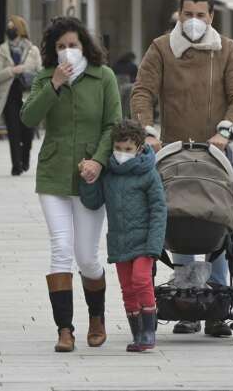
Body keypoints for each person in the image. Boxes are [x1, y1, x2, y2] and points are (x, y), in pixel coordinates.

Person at [130, 0, 233, 338]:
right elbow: (142, 91)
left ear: (211, 17)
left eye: (201, 15)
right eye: (188, 14)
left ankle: (215, 304)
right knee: (180, 217)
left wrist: (226, 131)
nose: (194, 21)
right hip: (172, 152)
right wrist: (148, 131)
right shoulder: (161, 48)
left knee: (216, 220)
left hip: (216, 152)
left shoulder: (226, 50)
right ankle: (186, 303)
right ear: (178, 14)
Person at [20, 16, 121, 353]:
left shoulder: (103, 77)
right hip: (53, 174)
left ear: (84, 46)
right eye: (61, 46)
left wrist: (99, 160)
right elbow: (28, 118)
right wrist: (54, 86)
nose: (67, 51)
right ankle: (64, 329)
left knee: (87, 257)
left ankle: (97, 318)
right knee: (61, 248)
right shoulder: (45, 77)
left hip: (90, 177)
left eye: (73, 45)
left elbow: (113, 125)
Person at [80, 119, 167, 353]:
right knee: (127, 288)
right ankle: (138, 333)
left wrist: (155, 245)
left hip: (145, 242)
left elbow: (159, 209)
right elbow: (93, 201)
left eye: (127, 149)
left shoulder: (149, 174)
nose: (121, 153)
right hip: (119, 242)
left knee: (141, 280)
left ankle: (149, 331)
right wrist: (88, 181)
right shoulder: (109, 173)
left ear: (139, 148)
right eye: (118, 148)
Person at [0, 15, 42, 176]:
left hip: (28, 95)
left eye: (12, 26)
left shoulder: (33, 50)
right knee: (13, 131)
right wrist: (12, 71)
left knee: (27, 131)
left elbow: (40, 72)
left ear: (20, 29)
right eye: (8, 27)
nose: (10, 29)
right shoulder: (2, 49)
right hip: (9, 96)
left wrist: (26, 72)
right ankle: (16, 165)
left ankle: (25, 156)